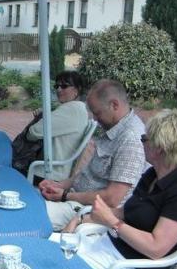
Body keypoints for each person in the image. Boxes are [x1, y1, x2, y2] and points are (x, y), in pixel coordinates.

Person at [65, 110, 177, 269]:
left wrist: (111, 222)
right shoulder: (153, 175)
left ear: (159, 148)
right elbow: (124, 213)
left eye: (145, 139)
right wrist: (80, 219)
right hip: (106, 247)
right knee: (49, 250)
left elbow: (155, 248)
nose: (141, 142)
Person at [40, 79, 146, 231]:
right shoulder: (113, 127)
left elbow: (112, 199)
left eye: (97, 113)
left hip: (89, 212)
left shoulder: (130, 139)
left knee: (29, 214)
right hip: (75, 200)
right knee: (25, 200)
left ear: (114, 105)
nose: (95, 119)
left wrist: (65, 195)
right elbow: (87, 173)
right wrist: (59, 185)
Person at [12, 71, 89, 182]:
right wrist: (46, 114)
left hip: (47, 173)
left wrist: (43, 117)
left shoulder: (71, 110)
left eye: (64, 86)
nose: (59, 90)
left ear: (77, 90)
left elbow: (32, 133)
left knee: (3, 164)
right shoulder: (80, 109)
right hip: (57, 170)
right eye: (56, 86)